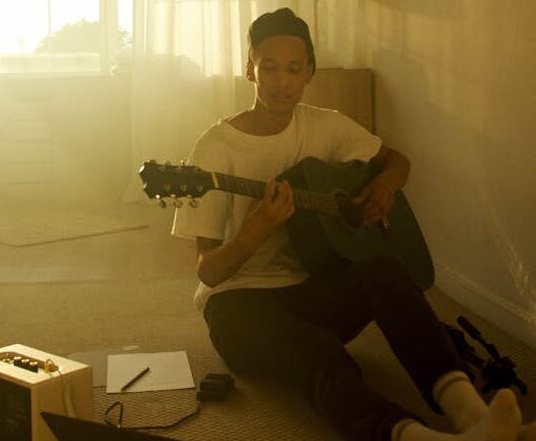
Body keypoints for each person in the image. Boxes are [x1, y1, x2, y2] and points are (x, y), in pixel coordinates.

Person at [172, 7, 533, 441]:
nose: (282, 81)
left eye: (294, 68)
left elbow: (397, 161)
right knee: (317, 350)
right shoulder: (214, 148)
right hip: (237, 308)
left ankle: (476, 417)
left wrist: (385, 187)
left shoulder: (327, 125)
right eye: (269, 67)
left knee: (386, 271)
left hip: (310, 285)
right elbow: (208, 272)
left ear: (310, 72)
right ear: (250, 69)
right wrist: (253, 234)